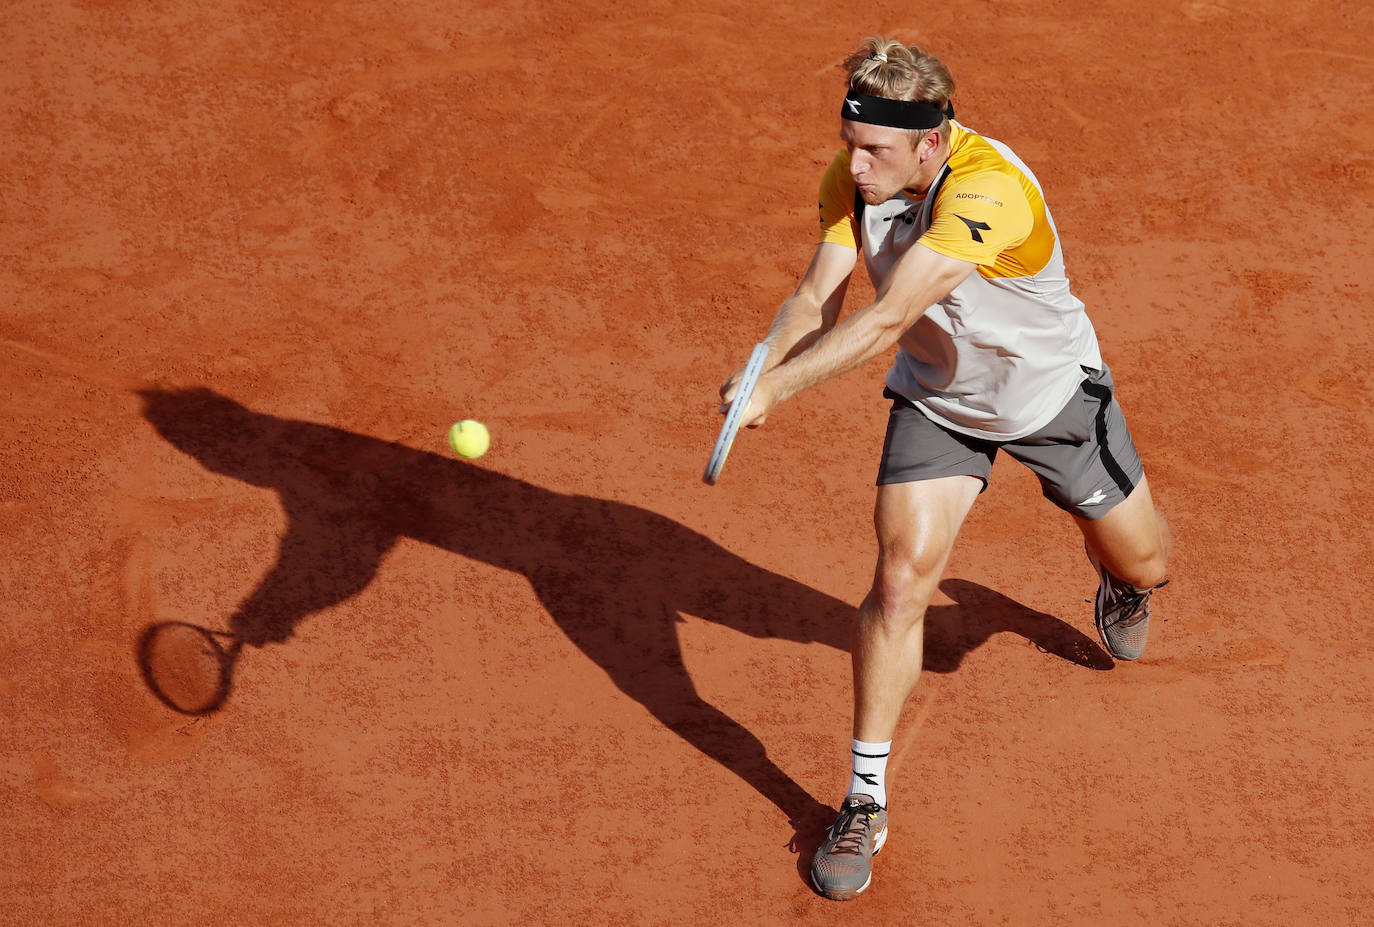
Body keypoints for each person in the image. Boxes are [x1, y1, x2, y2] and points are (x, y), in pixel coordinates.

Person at [717, 36, 1171, 901]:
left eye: (874, 151)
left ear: (932, 142)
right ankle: (864, 797)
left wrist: (782, 387)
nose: (854, 165)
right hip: (939, 401)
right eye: (849, 143)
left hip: (1050, 401)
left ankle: (1122, 580)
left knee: (1144, 557)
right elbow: (818, 297)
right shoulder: (855, 180)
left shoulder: (989, 191)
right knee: (897, 583)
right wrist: (761, 362)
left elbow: (888, 317)